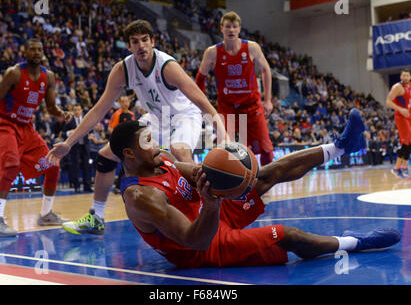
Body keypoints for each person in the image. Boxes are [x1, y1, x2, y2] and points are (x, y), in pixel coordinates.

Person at [111, 109, 400, 268]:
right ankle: (355, 242)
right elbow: (194, 240)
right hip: (202, 247)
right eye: (146, 141)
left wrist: (224, 165)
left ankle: (341, 146)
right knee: (288, 235)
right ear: (130, 154)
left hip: (210, 215)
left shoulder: (160, 158)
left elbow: (198, 172)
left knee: (262, 175)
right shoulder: (141, 196)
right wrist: (212, 204)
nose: (154, 142)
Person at [47, 19, 228, 235]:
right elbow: (98, 110)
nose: (141, 46)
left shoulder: (167, 67)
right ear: (129, 46)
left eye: (145, 40)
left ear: (153, 41)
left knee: (179, 150)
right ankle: (96, 217)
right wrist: (69, 143)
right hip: (156, 119)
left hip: (183, 115)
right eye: (135, 41)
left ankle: (205, 215)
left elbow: (201, 100)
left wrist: (223, 133)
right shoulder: (123, 69)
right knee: (107, 154)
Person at [0, 38, 72, 237]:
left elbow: (50, 106)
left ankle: (46, 214)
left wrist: (60, 113)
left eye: (39, 49)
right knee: (11, 167)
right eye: (32, 49)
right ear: (25, 52)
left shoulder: (49, 77)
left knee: (52, 163)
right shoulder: (14, 73)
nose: (37, 52)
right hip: (5, 124)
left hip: (26, 127)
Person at [196, 11, 274, 166]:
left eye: (234, 27)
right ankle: (227, 186)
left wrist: (267, 100)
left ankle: (263, 185)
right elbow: (200, 77)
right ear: (221, 29)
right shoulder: (212, 52)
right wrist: (201, 105)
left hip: (251, 105)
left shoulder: (252, 47)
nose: (231, 30)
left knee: (267, 151)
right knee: (224, 151)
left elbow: (266, 70)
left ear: (239, 29)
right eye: (228, 26)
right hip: (227, 107)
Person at [386, 69, 411, 178]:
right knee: (406, 142)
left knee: (409, 142)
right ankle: (397, 168)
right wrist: (401, 109)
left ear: (410, 77)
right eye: (403, 75)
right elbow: (388, 102)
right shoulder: (397, 87)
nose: (405, 77)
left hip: (409, 116)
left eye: (407, 75)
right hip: (401, 116)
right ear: (401, 77)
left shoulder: (410, 86)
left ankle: (404, 167)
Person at [64, 104, 93, 193]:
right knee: (75, 166)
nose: (77, 111)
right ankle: (77, 186)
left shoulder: (86, 119)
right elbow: (65, 132)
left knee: (86, 166)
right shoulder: (70, 120)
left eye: (78, 109)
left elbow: (91, 130)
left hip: (85, 145)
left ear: (81, 110)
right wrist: (70, 132)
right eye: (75, 110)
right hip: (75, 146)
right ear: (73, 111)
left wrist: (91, 134)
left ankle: (87, 186)